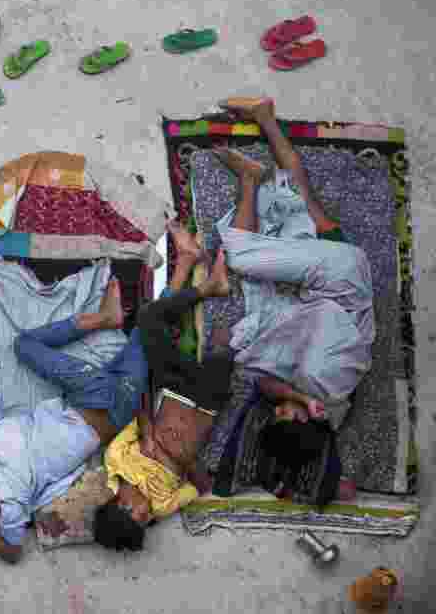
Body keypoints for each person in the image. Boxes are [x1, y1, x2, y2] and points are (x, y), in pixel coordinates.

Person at [0, 274, 153, 564]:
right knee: (24, 344)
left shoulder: (9, 494)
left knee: (148, 326)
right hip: (91, 391)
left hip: (115, 413)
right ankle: (108, 318)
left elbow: (12, 551)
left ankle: (124, 318)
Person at [213, 96, 373, 500]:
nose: (280, 408)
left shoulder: (319, 404)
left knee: (301, 195)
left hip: (343, 275)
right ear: (310, 422)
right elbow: (315, 321)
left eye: (279, 414)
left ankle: (265, 117)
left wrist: (294, 397)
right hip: (337, 280)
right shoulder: (326, 384)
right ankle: (249, 178)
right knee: (242, 257)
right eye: (288, 415)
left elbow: (267, 385)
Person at [93, 224, 233, 551]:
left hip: (172, 387)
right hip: (206, 402)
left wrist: (148, 432)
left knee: (148, 321)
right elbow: (202, 486)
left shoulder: (115, 462)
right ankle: (202, 281)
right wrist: (182, 460)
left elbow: (137, 408)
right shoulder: (163, 505)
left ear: (124, 506)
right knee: (225, 343)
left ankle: (207, 286)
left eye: (141, 518)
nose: (149, 517)